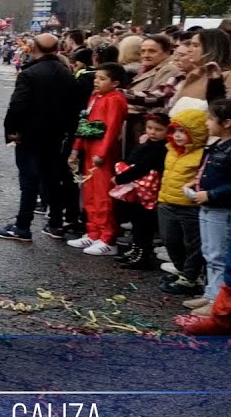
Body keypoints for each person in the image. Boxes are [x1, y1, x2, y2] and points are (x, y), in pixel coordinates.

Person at [0, 33, 81, 242]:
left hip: (30, 134)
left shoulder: (30, 74)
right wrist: (69, 132)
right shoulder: (67, 73)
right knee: (52, 179)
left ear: (34, 48)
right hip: (56, 135)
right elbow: (74, 107)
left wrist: (12, 130)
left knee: (29, 181)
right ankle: (55, 224)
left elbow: (18, 105)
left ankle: (22, 226)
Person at [184, 99, 231, 315]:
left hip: (222, 209)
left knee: (220, 254)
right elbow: (206, 170)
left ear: (227, 123)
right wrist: (195, 183)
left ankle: (218, 300)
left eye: (210, 118)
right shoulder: (218, 144)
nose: (207, 122)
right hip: (207, 206)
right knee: (209, 251)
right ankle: (210, 294)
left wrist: (210, 194)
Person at [67, 62, 130, 255]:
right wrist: (75, 149)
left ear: (115, 82)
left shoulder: (116, 99)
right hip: (90, 149)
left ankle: (108, 238)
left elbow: (112, 129)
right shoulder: (96, 97)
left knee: (103, 195)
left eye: (102, 79)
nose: (96, 82)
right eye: (96, 78)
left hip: (102, 153)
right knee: (90, 193)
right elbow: (84, 122)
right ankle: (93, 232)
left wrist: (101, 154)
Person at [158, 108, 209, 297]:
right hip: (166, 202)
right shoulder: (170, 149)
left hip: (189, 206)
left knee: (193, 243)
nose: (178, 136)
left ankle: (190, 277)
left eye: (183, 132)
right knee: (170, 240)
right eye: (175, 131)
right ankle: (182, 271)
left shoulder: (203, 154)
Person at [112, 111, 169, 270]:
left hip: (149, 191)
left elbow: (142, 167)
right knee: (137, 221)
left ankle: (143, 254)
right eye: (150, 128)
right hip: (137, 188)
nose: (152, 132)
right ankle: (136, 248)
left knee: (145, 223)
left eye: (158, 129)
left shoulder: (160, 149)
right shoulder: (147, 144)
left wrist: (121, 178)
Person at [168, 28, 231, 114]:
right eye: (190, 44)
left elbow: (228, 115)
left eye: (195, 45)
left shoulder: (229, 78)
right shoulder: (193, 75)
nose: (189, 50)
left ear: (211, 49)